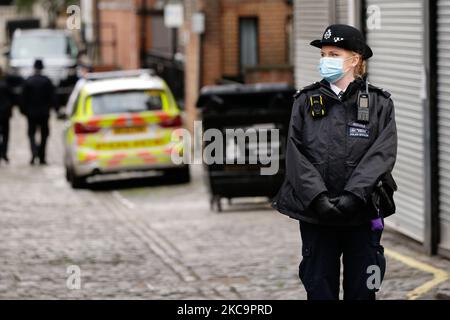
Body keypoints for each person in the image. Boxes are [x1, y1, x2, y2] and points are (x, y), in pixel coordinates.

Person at [272, 24, 398, 300]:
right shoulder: (305, 101)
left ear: (355, 59)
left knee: (363, 289)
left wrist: (354, 195)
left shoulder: (379, 103)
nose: (325, 60)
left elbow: (382, 153)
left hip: (362, 214)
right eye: (324, 54)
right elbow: (295, 153)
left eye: (334, 54)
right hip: (317, 216)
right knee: (319, 287)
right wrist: (317, 198)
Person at [22, 59, 55, 165]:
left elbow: (23, 99)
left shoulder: (28, 81)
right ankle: (42, 156)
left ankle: (34, 152)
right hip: (44, 113)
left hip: (31, 113)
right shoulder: (47, 81)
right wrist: (54, 108)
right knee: (44, 135)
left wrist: (24, 111)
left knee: (31, 134)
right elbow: (52, 97)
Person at [0, 67, 13, 164]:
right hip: (5, 115)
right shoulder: (6, 85)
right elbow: (11, 100)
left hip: (4, 114)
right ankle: (4, 153)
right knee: (5, 135)